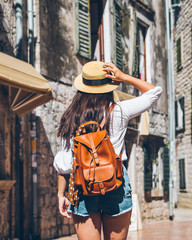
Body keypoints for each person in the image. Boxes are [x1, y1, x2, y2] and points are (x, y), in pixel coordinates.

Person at [54, 61, 162, 240]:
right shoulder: (119, 111)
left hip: (82, 185)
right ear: (108, 86)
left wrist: (60, 194)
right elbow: (154, 92)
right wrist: (123, 77)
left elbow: (64, 162)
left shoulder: (71, 116)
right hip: (115, 183)